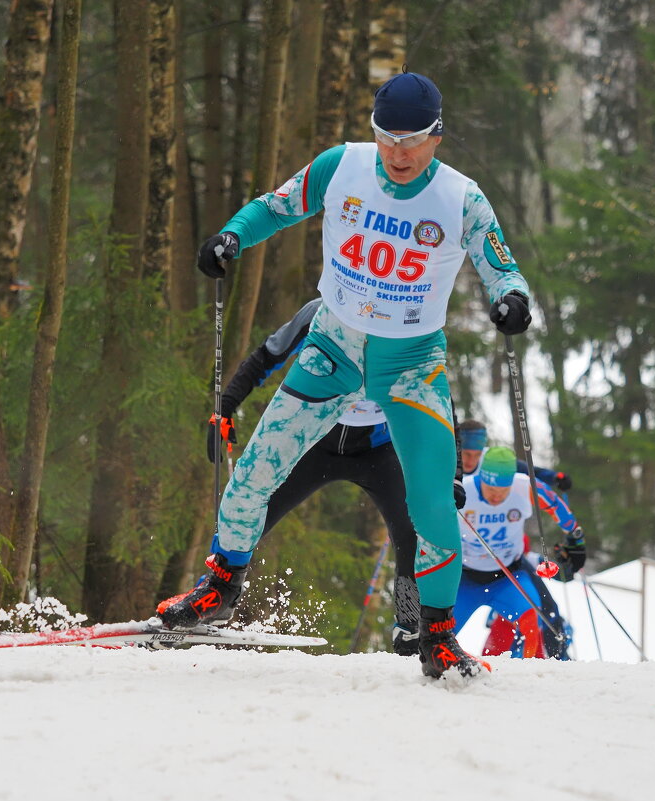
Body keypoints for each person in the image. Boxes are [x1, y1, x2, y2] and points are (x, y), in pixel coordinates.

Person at [157, 71, 531, 680]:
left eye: (413, 139)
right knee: (255, 468)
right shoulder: (342, 166)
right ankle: (220, 584)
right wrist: (230, 236)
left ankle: (435, 631)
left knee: (433, 503)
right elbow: (276, 207)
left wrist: (511, 301)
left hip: (411, 363)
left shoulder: (463, 198)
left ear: (438, 136)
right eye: (387, 137)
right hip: (333, 345)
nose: (399, 153)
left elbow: (501, 268)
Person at [207, 297, 453, 656]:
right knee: (251, 506)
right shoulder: (323, 309)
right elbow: (267, 356)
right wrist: (225, 407)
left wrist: (454, 475)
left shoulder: (407, 319)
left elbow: (437, 400)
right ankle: (212, 594)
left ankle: (411, 628)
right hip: (316, 441)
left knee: (411, 530)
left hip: (377, 449)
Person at [453, 446, 585, 658]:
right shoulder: (464, 491)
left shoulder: (522, 487)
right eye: (491, 491)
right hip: (464, 578)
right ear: (481, 480)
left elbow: (555, 504)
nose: (497, 497)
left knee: (532, 623)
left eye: (503, 492)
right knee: (439, 630)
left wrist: (575, 540)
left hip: (508, 576)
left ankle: (530, 675)